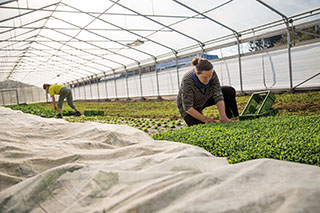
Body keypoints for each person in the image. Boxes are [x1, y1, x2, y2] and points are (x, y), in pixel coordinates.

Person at [177, 57, 239, 126]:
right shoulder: (187, 80)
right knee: (200, 127)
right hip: (191, 106)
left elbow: (218, 94)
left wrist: (223, 116)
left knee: (229, 91)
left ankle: (231, 118)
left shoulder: (212, 74)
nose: (208, 79)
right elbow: (188, 107)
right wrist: (205, 119)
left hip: (205, 97)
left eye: (210, 76)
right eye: (204, 77)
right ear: (197, 73)